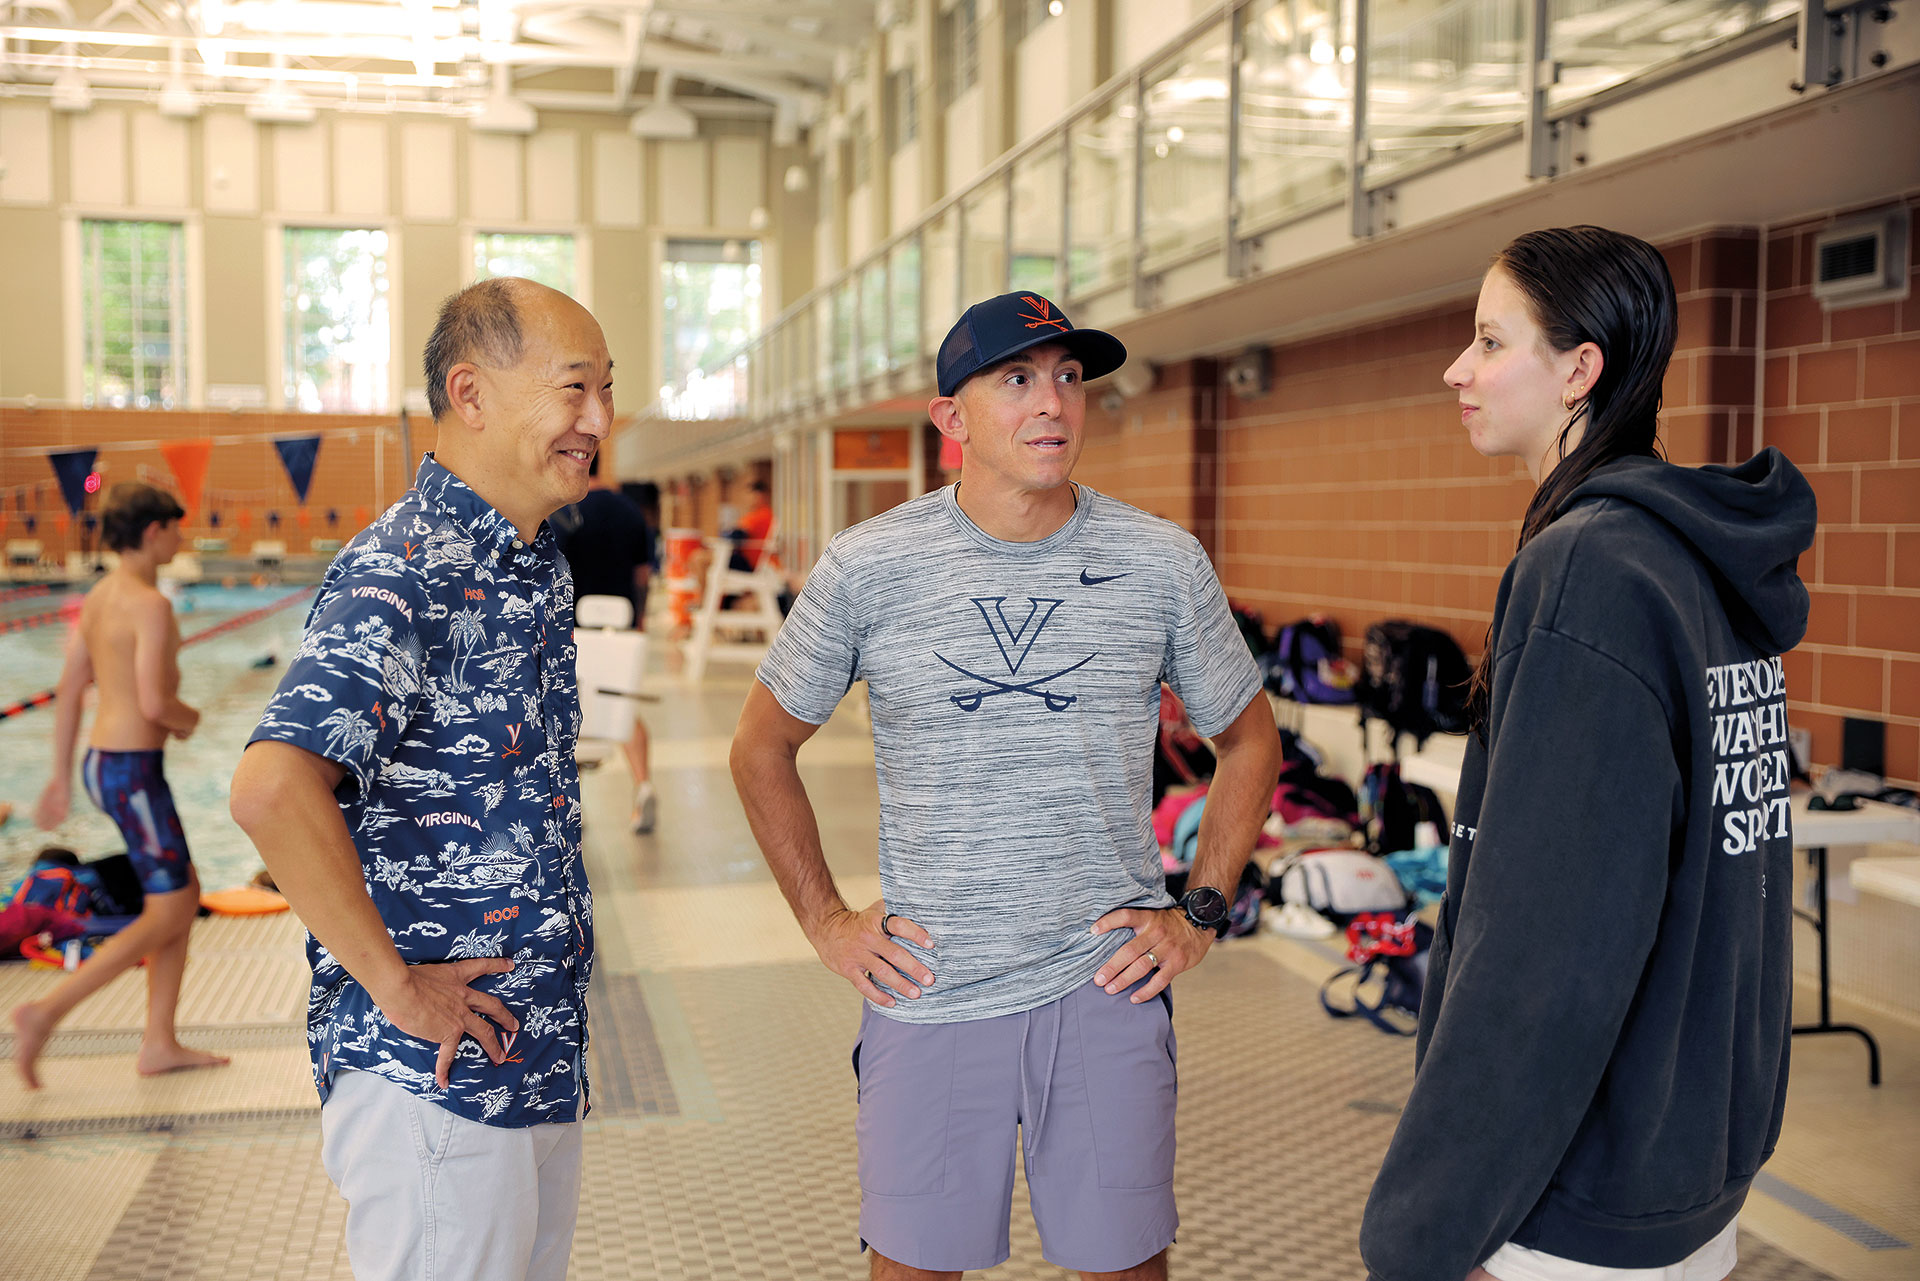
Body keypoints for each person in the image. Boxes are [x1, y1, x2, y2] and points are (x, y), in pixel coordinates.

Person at [730, 291, 1283, 1281]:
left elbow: (1248, 741)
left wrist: (1199, 912)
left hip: (1107, 985)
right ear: (953, 420)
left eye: (1071, 378)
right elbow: (760, 746)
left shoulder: (1161, 562)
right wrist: (825, 919)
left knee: (1125, 1270)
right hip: (932, 986)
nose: (1054, 404)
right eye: (1018, 379)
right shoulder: (869, 567)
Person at [1358, 227, 1815, 1281]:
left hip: (1577, 1199)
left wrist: (1433, 1226)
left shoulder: (1589, 573)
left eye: (1487, 341)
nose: (1455, 370)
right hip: (1688, 1168)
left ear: (1579, 369)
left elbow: (1545, 944)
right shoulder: (1695, 560)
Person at [228, 277, 612, 1281]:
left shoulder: (532, 565)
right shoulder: (404, 569)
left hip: (526, 1059)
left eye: (606, 391)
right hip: (433, 1082)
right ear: (471, 393)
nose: (600, 422)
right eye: (575, 390)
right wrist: (395, 987)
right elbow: (272, 788)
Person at [11, 482, 226, 1088]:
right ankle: (44, 1013)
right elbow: (157, 703)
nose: (181, 540)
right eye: (176, 530)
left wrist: (60, 776)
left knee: (181, 898)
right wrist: (194, 720)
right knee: (174, 905)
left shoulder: (102, 595)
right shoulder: (149, 604)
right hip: (133, 770)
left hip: (104, 764)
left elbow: (71, 686)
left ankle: (159, 1041)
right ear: (154, 531)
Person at [554, 452, 658, 833]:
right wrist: (640, 618)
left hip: (572, 629)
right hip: (621, 625)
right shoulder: (630, 511)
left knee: (570, 709)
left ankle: (570, 803)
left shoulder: (563, 513)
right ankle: (643, 784)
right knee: (621, 700)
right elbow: (644, 574)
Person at [727, 478, 774, 572]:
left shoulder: (763, 514)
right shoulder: (755, 514)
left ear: (760, 496)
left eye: (750, 495)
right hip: (746, 558)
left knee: (701, 560)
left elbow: (735, 534)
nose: (747, 499)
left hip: (750, 562)